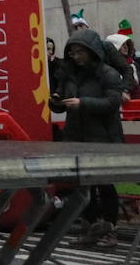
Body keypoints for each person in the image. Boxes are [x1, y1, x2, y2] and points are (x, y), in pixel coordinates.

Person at [51, 30, 125, 249]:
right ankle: (93, 225)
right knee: (82, 185)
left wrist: (83, 103)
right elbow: (62, 95)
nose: (76, 57)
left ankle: (109, 227)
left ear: (92, 52)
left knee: (104, 183)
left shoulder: (108, 74)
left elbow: (112, 103)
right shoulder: (69, 74)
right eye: (72, 53)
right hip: (76, 134)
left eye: (80, 52)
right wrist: (56, 102)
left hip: (102, 135)